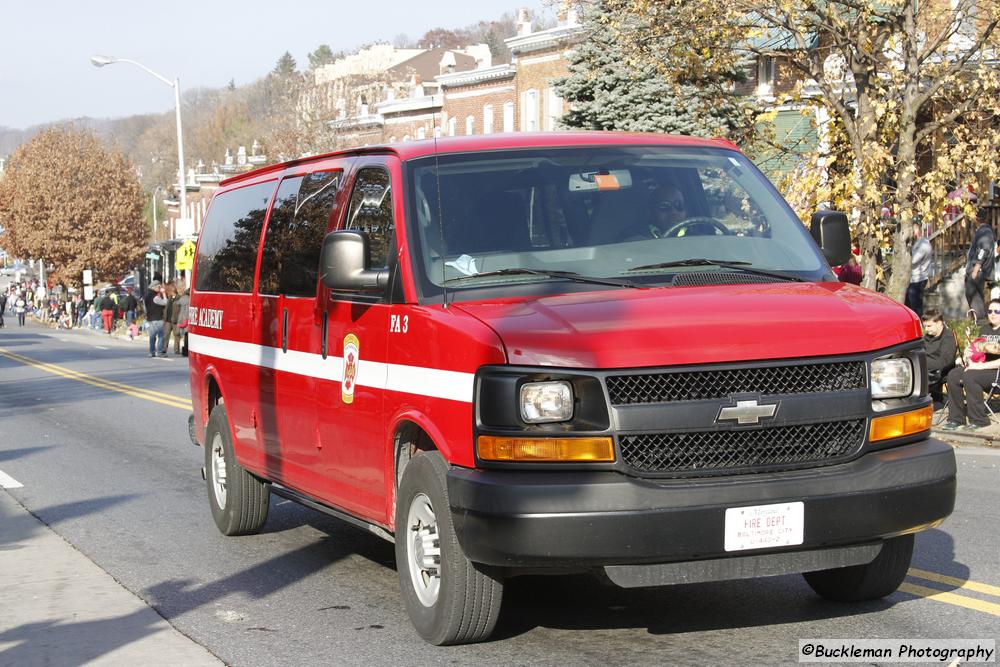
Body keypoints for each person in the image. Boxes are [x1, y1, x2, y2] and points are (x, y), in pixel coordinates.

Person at [942, 299, 1000, 431]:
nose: (993, 314)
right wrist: (970, 355)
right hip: (981, 369)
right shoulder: (985, 328)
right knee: (954, 375)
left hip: (996, 373)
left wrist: (979, 366)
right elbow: (978, 353)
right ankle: (956, 419)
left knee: (971, 376)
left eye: (997, 311)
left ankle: (980, 420)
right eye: (990, 311)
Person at [922, 309, 957, 410]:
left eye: (929, 326)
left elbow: (946, 361)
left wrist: (924, 364)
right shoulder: (927, 337)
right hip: (926, 369)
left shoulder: (948, 338)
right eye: (925, 327)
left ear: (939, 323)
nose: (926, 330)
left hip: (941, 372)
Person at [964, 207, 995, 320]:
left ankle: (981, 323)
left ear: (977, 218)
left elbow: (984, 250)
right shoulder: (982, 231)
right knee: (972, 297)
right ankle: (977, 322)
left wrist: (976, 268)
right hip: (975, 271)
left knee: (974, 297)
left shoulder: (985, 232)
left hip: (979, 272)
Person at [906, 222, 932, 317]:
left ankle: (919, 326)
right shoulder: (916, 243)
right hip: (912, 279)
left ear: (917, 231)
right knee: (909, 307)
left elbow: (913, 261)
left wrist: (905, 256)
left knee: (915, 307)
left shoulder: (924, 245)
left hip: (918, 279)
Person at [144, 280, 168, 357]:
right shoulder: (156, 297)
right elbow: (165, 302)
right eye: (159, 287)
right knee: (161, 336)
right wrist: (164, 294)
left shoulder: (147, 296)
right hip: (157, 319)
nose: (160, 288)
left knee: (152, 336)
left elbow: (145, 308)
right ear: (155, 287)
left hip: (150, 319)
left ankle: (152, 352)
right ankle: (160, 352)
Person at [162, 283, 179, 356]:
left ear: (173, 290)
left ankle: (176, 350)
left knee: (176, 335)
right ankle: (164, 349)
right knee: (166, 335)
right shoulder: (169, 298)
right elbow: (165, 308)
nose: (169, 292)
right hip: (168, 320)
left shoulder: (179, 298)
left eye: (170, 290)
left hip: (176, 320)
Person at [174, 285, 191, 356]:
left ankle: (184, 351)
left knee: (185, 336)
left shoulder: (182, 300)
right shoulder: (190, 299)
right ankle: (186, 351)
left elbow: (176, 304)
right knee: (187, 336)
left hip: (183, 319)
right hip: (188, 319)